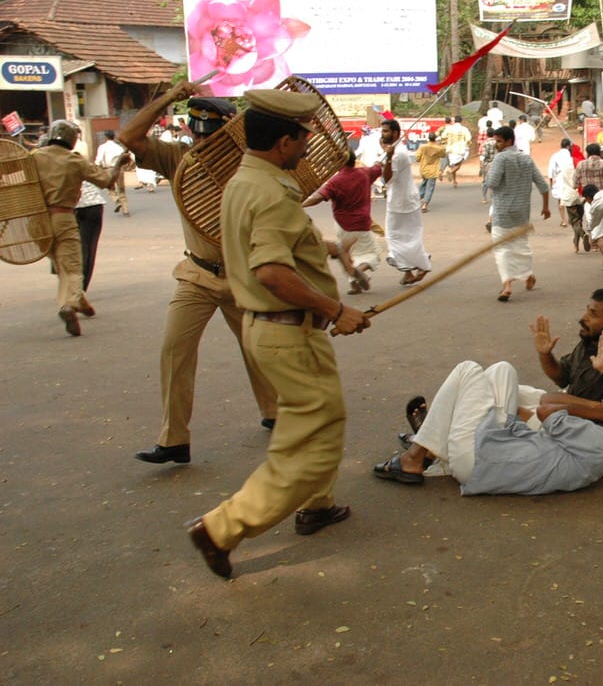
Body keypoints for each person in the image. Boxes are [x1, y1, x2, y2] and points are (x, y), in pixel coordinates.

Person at [187, 89, 370, 580]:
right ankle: (222, 527)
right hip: (286, 330)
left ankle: (317, 504)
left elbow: (274, 247)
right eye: (303, 137)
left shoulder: (247, 181)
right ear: (284, 142)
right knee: (316, 447)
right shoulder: (270, 192)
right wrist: (336, 308)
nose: (309, 144)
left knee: (305, 429)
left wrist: (321, 248)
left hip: (281, 332)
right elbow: (270, 270)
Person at [120, 87, 280, 465]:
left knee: (261, 350)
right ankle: (174, 439)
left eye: (212, 135)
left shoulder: (254, 169)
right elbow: (128, 137)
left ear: (230, 133)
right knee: (175, 350)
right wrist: (169, 97)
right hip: (196, 275)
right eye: (198, 133)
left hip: (245, 277)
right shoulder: (180, 160)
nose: (202, 141)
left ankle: (277, 412)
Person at [373, 288, 603, 488]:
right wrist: (545, 354)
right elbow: (558, 380)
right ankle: (436, 435)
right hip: (567, 414)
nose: (583, 317)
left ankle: (422, 449)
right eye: (586, 310)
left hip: (564, 423)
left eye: (592, 314)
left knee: (469, 371)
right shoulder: (588, 344)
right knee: (501, 371)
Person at [31, 120, 129, 336]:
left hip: (37, 223)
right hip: (63, 217)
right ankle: (70, 304)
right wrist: (119, 163)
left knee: (62, 263)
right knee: (74, 267)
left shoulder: (35, 157)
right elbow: (106, 181)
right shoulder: (74, 161)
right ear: (72, 139)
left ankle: (82, 303)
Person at [301, 144, 383, 295]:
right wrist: (387, 155)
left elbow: (318, 197)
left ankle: (354, 284)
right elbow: (378, 168)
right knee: (371, 253)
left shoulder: (335, 181)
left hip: (342, 226)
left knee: (348, 254)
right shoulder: (364, 173)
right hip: (362, 224)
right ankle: (359, 270)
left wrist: (300, 204)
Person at [483, 124, 551, 302]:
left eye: (498, 141)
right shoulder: (526, 159)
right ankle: (527, 275)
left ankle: (507, 285)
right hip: (522, 212)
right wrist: (545, 207)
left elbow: (492, 183)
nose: (496, 144)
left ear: (508, 141)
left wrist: (489, 170)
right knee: (521, 246)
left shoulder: (500, 159)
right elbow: (543, 186)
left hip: (502, 211)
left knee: (502, 249)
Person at [378, 118, 431, 284]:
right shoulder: (395, 151)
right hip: (405, 200)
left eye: (386, 131)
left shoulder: (397, 154)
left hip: (401, 203)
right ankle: (411, 269)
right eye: (382, 131)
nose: (383, 134)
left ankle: (420, 263)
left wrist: (388, 157)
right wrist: (386, 153)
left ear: (395, 133)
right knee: (407, 236)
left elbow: (386, 179)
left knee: (395, 237)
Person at [95, 130, 129, 216]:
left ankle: (117, 200)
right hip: (119, 168)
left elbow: (98, 160)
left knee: (110, 187)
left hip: (109, 169)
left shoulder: (102, 147)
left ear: (106, 137)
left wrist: (97, 167)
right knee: (121, 189)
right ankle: (125, 209)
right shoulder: (118, 147)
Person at [547, 137, 576, 226]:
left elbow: (551, 171)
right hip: (571, 177)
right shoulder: (572, 156)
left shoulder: (555, 156)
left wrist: (551, 182)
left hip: (560, 178)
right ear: (568, 146)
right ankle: (573, 219)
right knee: (572, 198)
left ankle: (564, 220)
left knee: (561, 200)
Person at [413, 131, 444, 211]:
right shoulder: (439, 148)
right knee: (430, 187)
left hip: (424, 169)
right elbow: (443, 155)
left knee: (424, 184)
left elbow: (417, 158)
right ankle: (425, 205)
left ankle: (417, 200)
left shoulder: (423, 147)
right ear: (435, 139)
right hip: (433, 170)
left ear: (428, 138)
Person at [441, 114, 472, 187]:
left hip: (450, 149)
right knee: (458, 165)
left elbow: (443, 136)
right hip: (460, 149)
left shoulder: (449, 128)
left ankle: (454, 181)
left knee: (453, 165)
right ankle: (450, 172)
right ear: (461, 121)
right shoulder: (464, 129)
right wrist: (468, 143)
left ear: (454, 120)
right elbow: (468, 139)